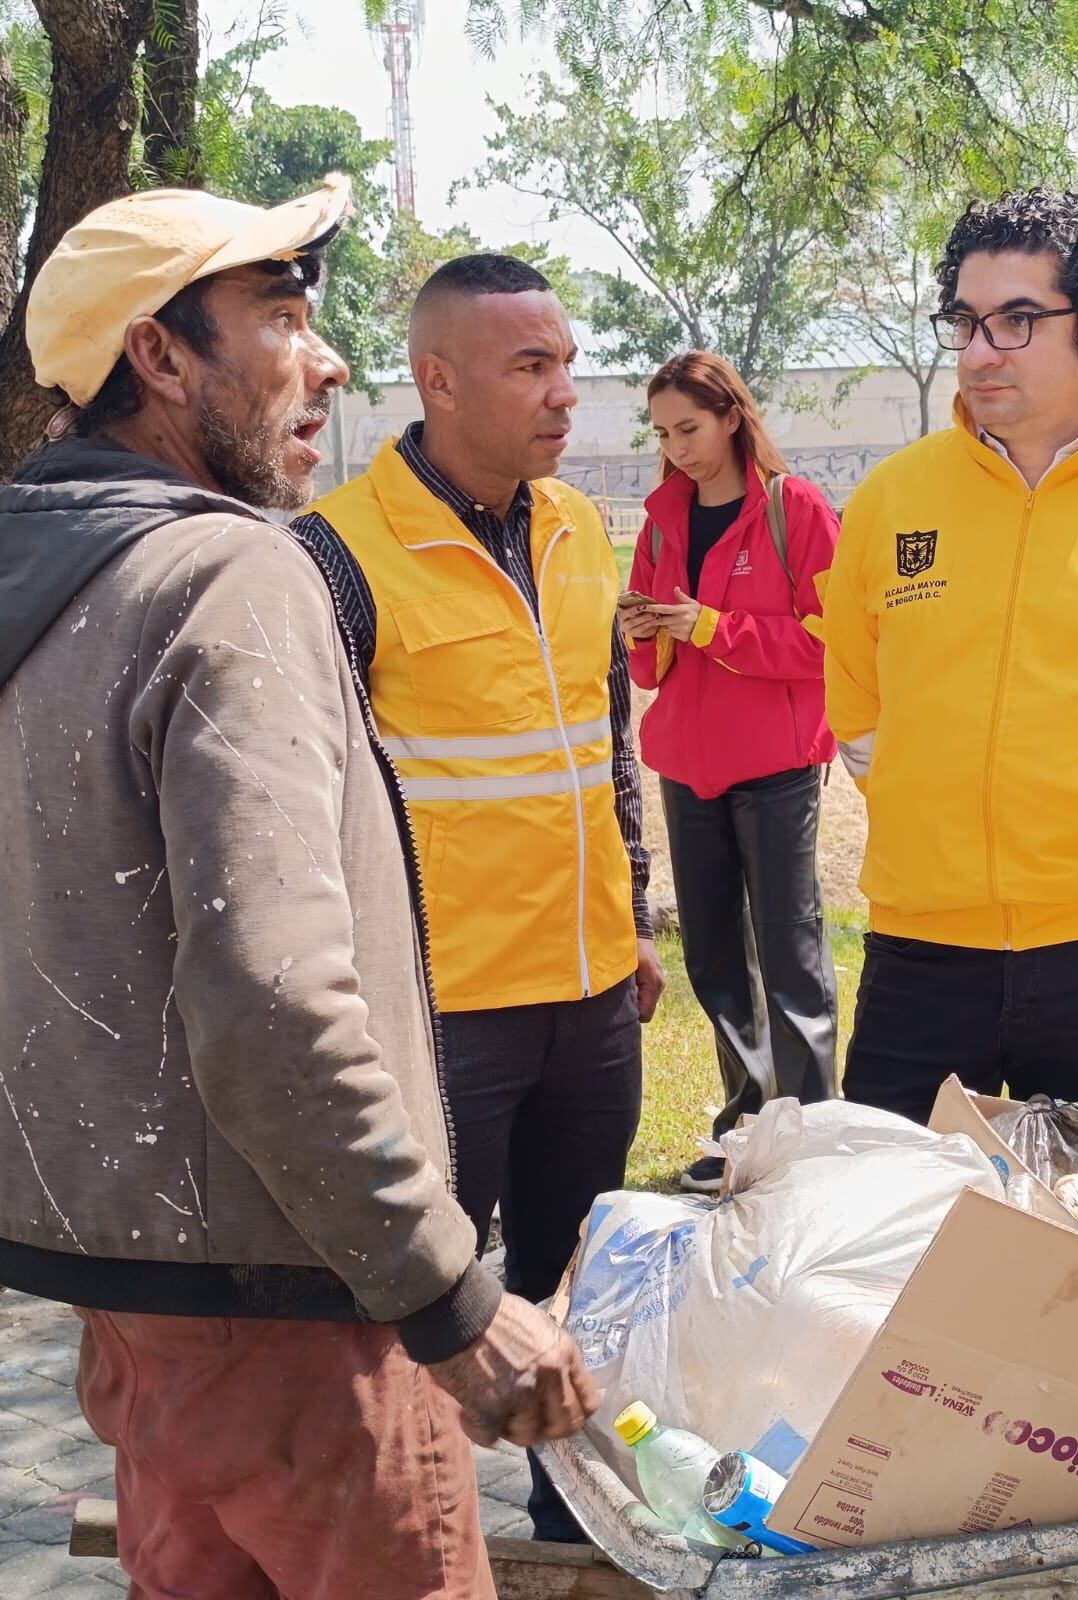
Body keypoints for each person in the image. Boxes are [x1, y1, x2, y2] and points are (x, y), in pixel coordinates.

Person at [0, 181, 597, 1600]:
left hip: (137, 1314)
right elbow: (273, 1004)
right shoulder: (225, 575)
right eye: (280, 318)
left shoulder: (42, 579)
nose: (327, 362)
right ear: (160, 357)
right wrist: (452, 1301)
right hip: (304, 1325)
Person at [295, 253, 663, 1542]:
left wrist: (636, 918)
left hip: (591, 999)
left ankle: (580, 1540)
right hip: (443, 1011)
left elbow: (606, 739)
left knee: (581, 1293)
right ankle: (408, 1544)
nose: (568, 393)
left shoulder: (581, 528)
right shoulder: (335, 557)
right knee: (425, 1309)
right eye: (531, 367)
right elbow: (309, 805)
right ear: (436, 381)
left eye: (567, 362)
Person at [822, 187, 1078, 1139]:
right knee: (894, 1225)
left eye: (1019, 320)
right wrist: (926, 808)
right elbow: (856, 702)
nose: (980, 351)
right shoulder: (890, 501)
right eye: (966, 319)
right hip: (920, 938)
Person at [621, 351, 839, 1194]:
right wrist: (648, 629)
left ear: (732, 418)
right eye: (665, 433)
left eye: (692, 428)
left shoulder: (796, 509)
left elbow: (831, 644)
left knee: (790, 950)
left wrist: (711, 625)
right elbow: (647, 674)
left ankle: (812, 1135)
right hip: (689, 768)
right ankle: (743, 1128)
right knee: (714, 956)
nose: (678, 448)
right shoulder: (661, 523)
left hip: (778, 766)